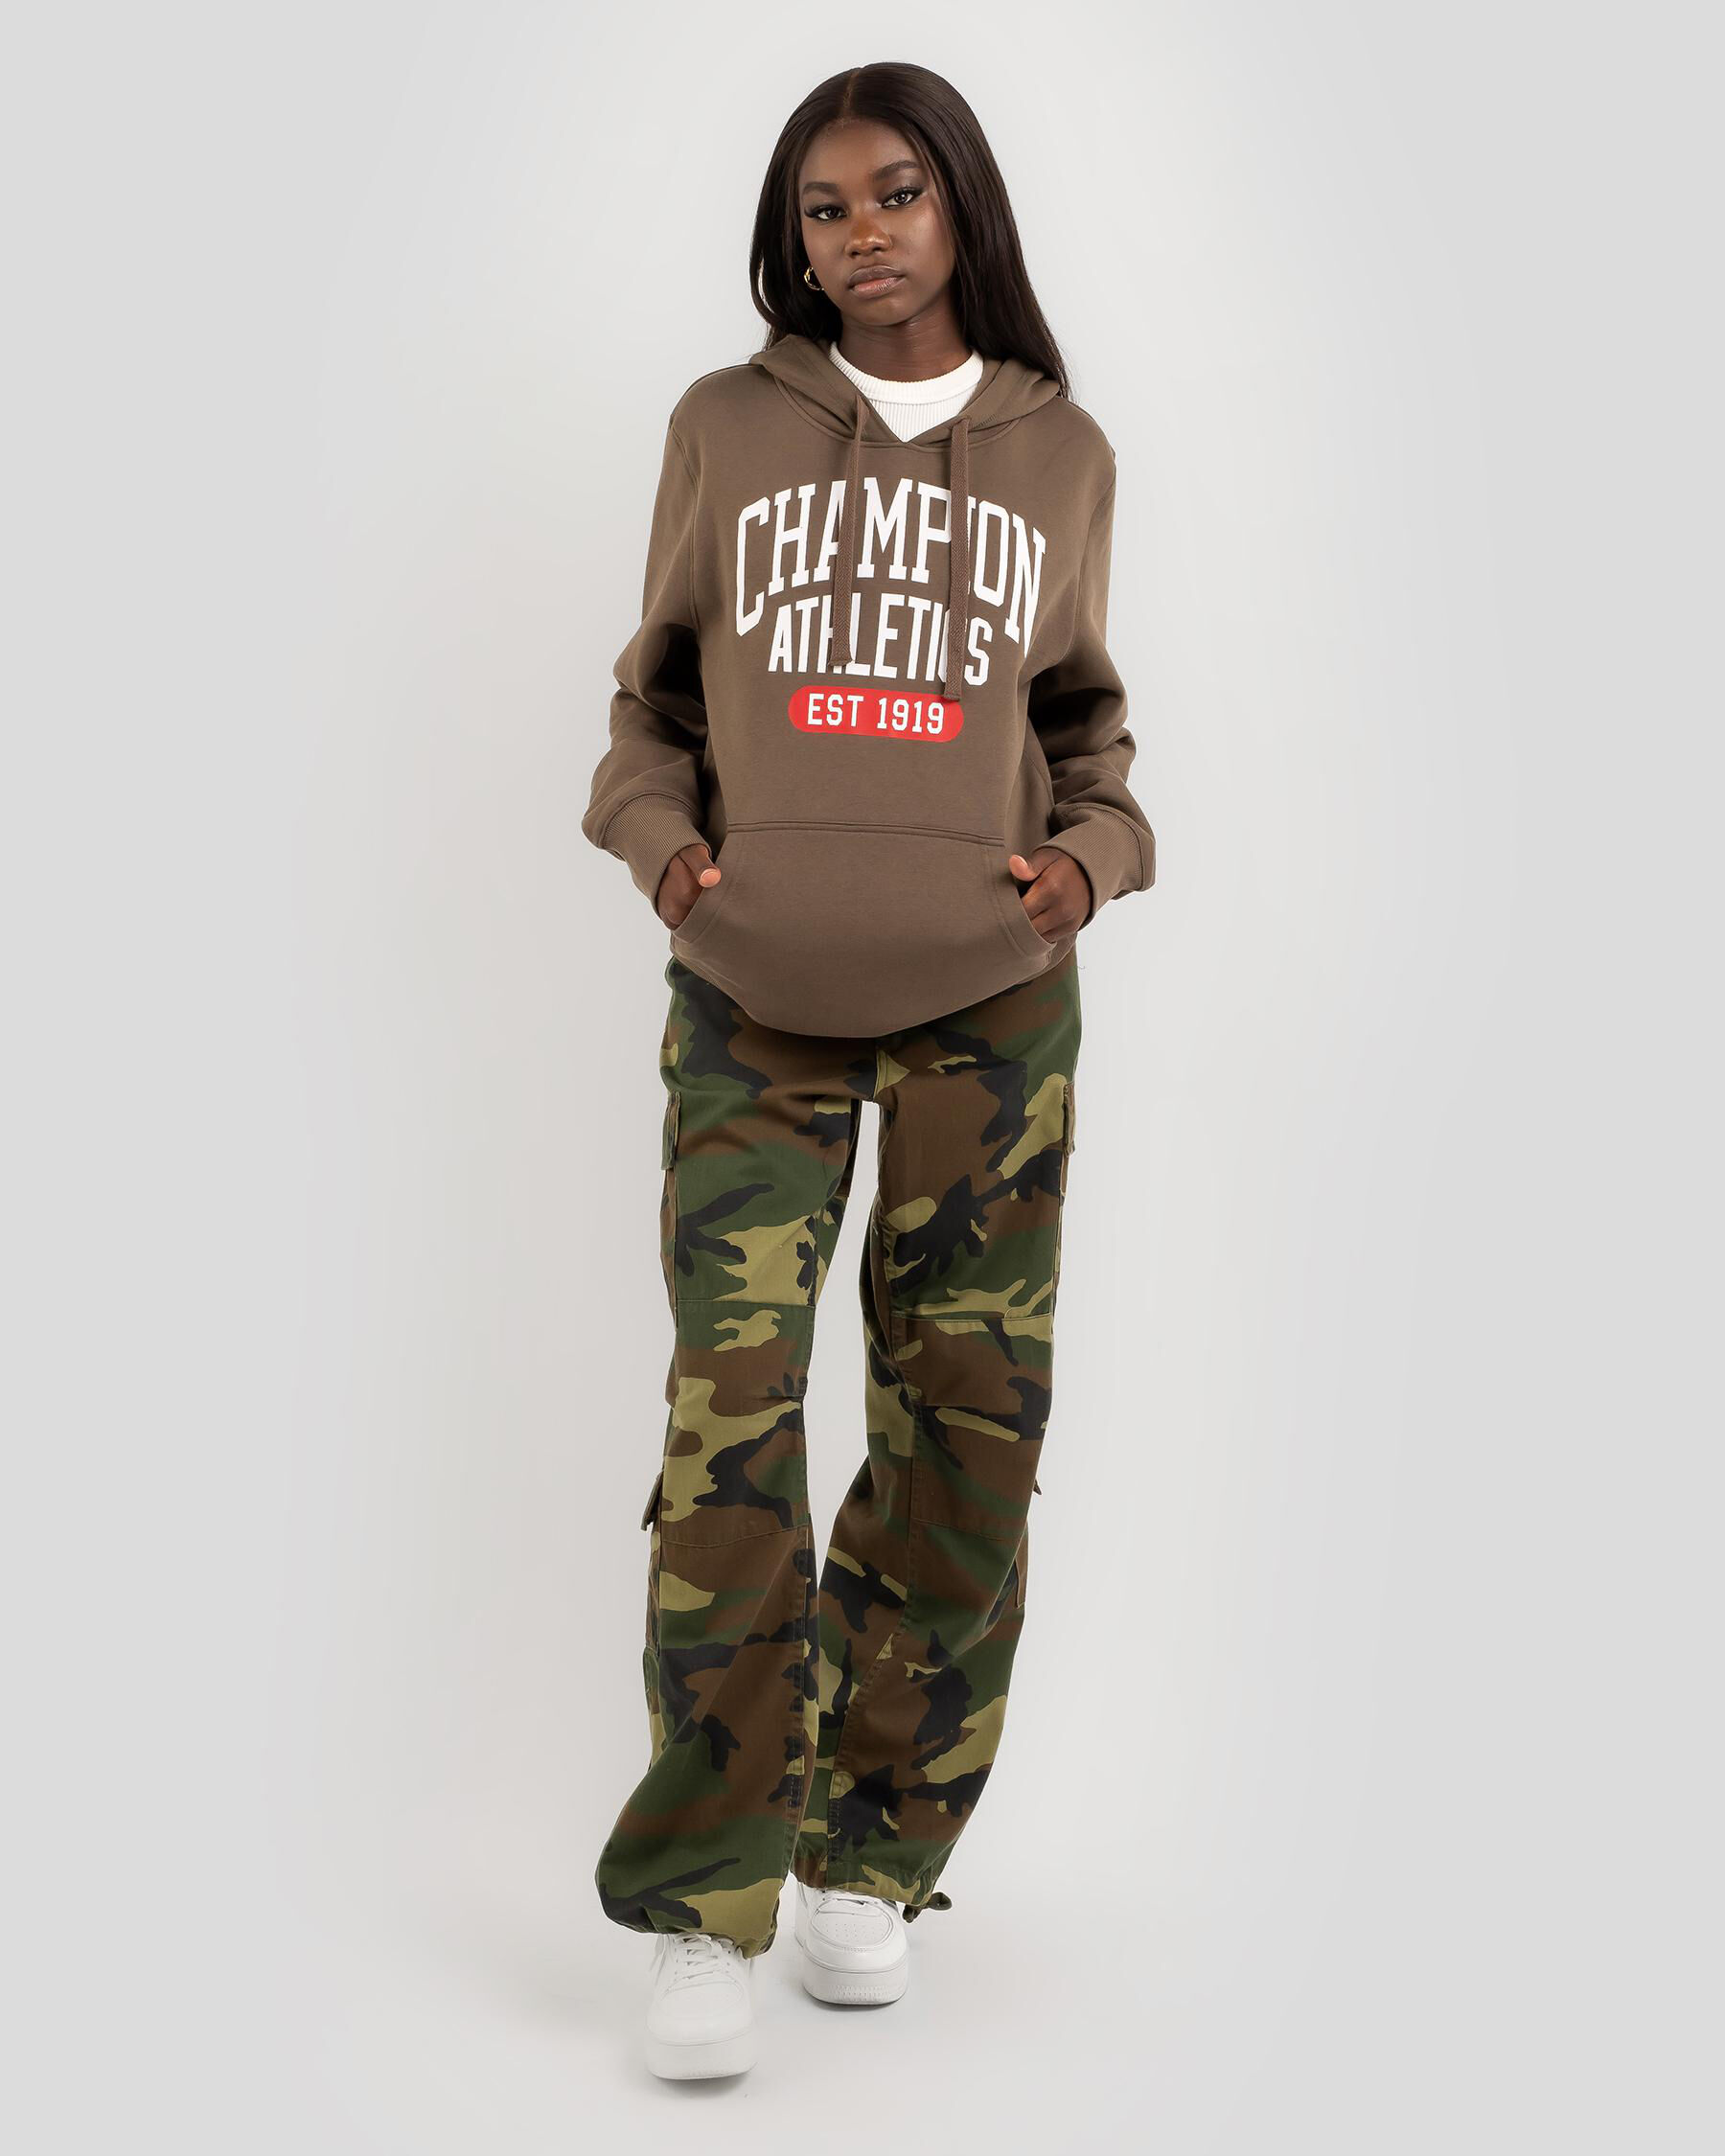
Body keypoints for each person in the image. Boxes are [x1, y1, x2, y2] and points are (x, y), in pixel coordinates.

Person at [581, 60, 1155, 2080]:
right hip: (755, 997)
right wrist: (667, 853)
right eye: (823, 210)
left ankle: (872, 1856)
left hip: (992, 1006)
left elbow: (1085, 728)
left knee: (966, 1428)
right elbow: (651, 708)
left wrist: (1090, 860)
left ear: (961, 203)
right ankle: (702, 1897)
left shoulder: (1060, 450)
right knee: (730, 1424)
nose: (862, 235)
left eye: (896, 193)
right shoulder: (727, 428)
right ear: (795, 241)